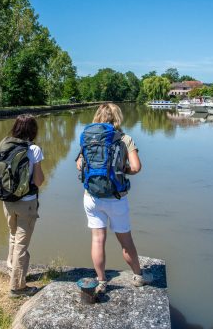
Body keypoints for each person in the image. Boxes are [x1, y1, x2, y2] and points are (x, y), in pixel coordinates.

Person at [76, 103, 152, 294]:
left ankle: (101, 281)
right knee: (126, 241)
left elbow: (79, 165)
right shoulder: (124, 138)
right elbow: (136, 167)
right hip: (116, 197)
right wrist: (120, 170)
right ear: (118, 117)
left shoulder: (87, 137)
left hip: (91, 196)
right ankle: (138, 276)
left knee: (98, 240)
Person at [3, 114, 44, 297]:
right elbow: (38, 180)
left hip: (7, 201)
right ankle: (18, 287)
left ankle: (12, 269)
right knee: (22, 244)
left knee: (13, 236)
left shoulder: (5, 145)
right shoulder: (33, 149)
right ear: (33, 130)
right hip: (26, 203)